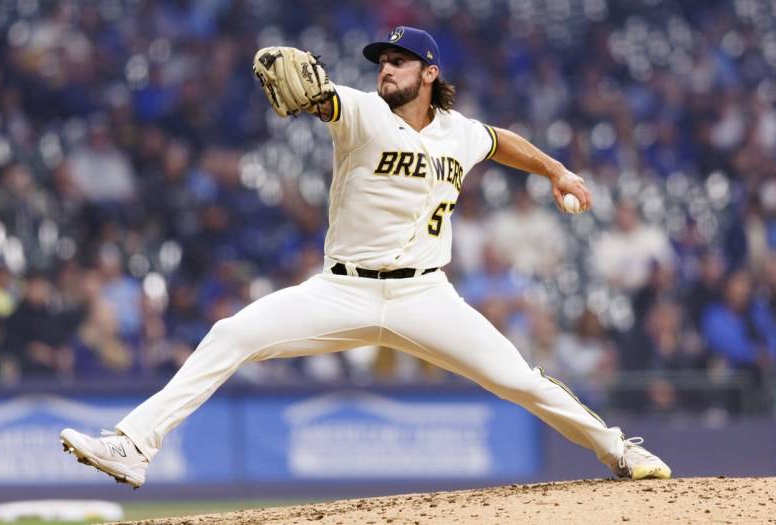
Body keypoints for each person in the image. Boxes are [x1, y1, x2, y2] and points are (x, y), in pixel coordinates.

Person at [60, 26, 670, 488]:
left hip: (426, 296)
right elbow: (326, 99)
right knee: (231, 333)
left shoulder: (457, 130)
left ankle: (620, 450)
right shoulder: (359, 112)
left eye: (398, 60)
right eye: (381, 60)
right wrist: (316, 94)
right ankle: (134, 445)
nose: (385, 68)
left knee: (519, 380)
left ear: (428, 73)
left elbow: (500, 141)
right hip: (341, 290)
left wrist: (557, 170)